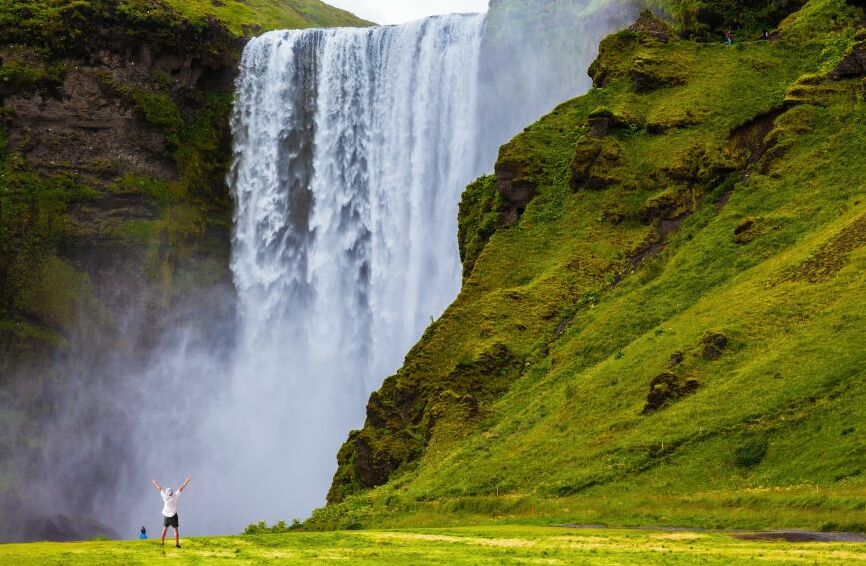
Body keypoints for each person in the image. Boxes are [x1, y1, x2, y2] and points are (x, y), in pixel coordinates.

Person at [151, 476, 191, 548]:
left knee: (164, 530)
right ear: (172, 493)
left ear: (167, 493)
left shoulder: (165, 497)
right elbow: (181, 488)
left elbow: (160, 489)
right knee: (175, 530)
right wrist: (186, 482)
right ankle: (177, 545)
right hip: (173, 515)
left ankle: (162, 543)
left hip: (166, 515)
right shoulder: (175, 496)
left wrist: (155, 483)